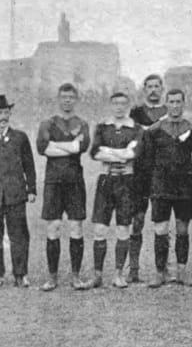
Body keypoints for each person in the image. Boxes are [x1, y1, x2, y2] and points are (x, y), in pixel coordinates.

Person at [139, 89, 192, 288]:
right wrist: (155, 179)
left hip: (184, 188)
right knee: (161, 229)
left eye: (178, 102)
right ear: (166, 104)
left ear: (183, 104)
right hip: (161, 187)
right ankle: (160, 272)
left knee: (182, 228)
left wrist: (189, 174)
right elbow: (147, 160)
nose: (175, 105)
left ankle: (182, 271)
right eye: (171, 101)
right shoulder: (154, 130)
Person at [37, 83, 90, 291]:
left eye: (71, 97)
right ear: (58, 99)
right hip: (53, 181)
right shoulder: (47, 123)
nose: (67, 100)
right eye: (64, 97)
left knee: (76, 227)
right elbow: (42, 148)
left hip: (75, 181)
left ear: (75, 99)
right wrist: (71, 147)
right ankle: (52, 277)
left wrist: (56, 146)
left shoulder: (82, 123)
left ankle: (76, 277)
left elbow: (82, 147)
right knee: (54, 227)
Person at [88, 92, 143, 289]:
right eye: (116, 104)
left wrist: (109, 152)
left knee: (123, 227)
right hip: (106, 180)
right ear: (111, 105)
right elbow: (94, 152)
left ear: (128, 105)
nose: (119, 107)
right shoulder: (102, 127)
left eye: (123, 103)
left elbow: (134, 153)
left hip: (127, 181)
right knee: (100, 228)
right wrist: (121, 155)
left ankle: (119, 274)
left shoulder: (136, 128)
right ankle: (97, 275)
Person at [128, 74, 168, 283]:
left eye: (156, 86)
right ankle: (133, 269)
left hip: (161, 173)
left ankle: (163, 269)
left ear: (162, 89)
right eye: (149, 86)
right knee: (137, 220)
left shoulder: (169, 111)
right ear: (144, 90)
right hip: (139, 173)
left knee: (162, 221)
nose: (153, 90)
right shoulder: (135, 113)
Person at [0, 95, 36, 288]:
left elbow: (29, 165)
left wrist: (32, 189)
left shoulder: (19, 137)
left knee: (19, 234)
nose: (2, 117)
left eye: (5, 112)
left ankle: (20, 274)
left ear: (10, 113)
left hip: (15, 194)